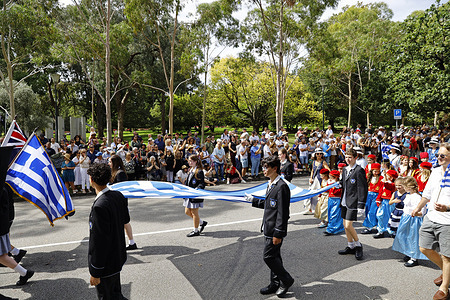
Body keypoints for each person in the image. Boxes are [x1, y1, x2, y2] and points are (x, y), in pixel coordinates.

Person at [245, 155, 294, 296]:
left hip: (275, 230)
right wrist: (253, 200)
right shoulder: (271, 184)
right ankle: (275, 283)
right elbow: (269, 205)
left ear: (275, 168)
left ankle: (286, 279)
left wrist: (278, 233)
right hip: (268, 227)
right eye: (263, 167)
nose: (264, 170)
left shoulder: (282, 187)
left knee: (268, 257)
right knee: (275, 256)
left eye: (266, 167)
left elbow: (283, 213)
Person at [412, 143, 450, 300]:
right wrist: (417, 208)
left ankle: (445, 288)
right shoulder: (434, 172)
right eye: (438, 155)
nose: (439, 158)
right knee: (424, 248)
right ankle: (447, 272)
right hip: (431, 216)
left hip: (447, 220)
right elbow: (426, 194)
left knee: (447, 256)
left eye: (442, 156)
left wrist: (447, 207)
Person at [87, 163, 130, 300]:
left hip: (105, 264)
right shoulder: (118, 196)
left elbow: (99, 242)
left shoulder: (99, 206)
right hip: (117, 257)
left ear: (91, 180)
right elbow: (125, 219)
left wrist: (96, 271)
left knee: (108, 296)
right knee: (115, 294)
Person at [338, 148, 368, 260]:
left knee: (348, 225)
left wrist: (361, 205)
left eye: (350, 157)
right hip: (345, 200)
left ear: (355, 158)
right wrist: (339, 184)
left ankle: (358, 245)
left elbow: (362, 188)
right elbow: (344, 183)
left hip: (353, 202)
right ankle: (350, 246)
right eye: (346, 157)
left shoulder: (359, 170)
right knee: (345, 226)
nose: (348, 159)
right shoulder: (345, 169)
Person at [392, 176, 427, 267]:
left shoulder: (417, 197)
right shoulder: (409, 195)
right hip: (406, 218)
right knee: (405, 236)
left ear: (409, 187)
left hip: (413, 219)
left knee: (413, 237)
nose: (403, 188)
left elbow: (422, 212)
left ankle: (414, 257)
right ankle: (408, 252)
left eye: (404, 186)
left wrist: (414, 214)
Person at [109, 155, 137, 251]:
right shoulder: (115, 172)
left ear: (115, 163)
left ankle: (129, 243)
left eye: (110, 162)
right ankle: (131, 243)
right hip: (117, 202)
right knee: (124, 223)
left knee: (123, 223)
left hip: (120, 202)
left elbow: (121, 189)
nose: (109, 164)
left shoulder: (120, 173)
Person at [184, 155, 207, 237]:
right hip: (189, 194)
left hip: (195, 195)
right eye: (189, 161)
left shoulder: (199, 171)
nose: (189, 162)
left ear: (196, 161)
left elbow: (202, 183)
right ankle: (201, 222)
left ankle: (196, 230)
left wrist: (197, 189)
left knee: (194, 213)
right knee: (187, 211)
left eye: (191, 161)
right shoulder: (191, 170)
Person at [373, 170, 398, 239]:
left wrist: (385, 180)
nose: (385, 177)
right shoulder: (384, 183)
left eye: (387, 176)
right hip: (384, 201)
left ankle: (392, 231)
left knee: (391, 216)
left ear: (391, 177)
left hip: (390, 202)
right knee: (380, 215)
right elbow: (381, 191)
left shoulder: (393, 185)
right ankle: (381, 230)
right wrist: (378, 199)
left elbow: (388, 186)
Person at [361, 163, 383, 234]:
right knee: (367, 210)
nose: (376, 173)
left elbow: (381, 189)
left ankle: (372, 226)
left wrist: (379, 198)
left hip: (376, 196)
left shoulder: (381, 178)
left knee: (373, 211)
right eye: (374, 171)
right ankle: (369, 227)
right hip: (369, 195)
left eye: (377, 171)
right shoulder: (369, 178)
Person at [324, 170, 344, 235]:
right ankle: (333, 227)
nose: (330, 178)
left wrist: (335, 185)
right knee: (330, 214)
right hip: (330, 199)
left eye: (331, 177)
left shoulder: (339, 183)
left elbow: (337, 192)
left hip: (337, 199)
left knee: (334, 214)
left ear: (335, 177)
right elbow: (326, 190)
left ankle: (332, 229)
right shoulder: (330, 182)